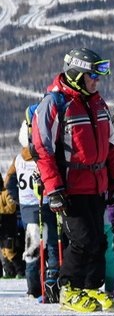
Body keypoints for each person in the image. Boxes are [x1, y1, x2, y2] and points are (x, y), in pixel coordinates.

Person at [32, 47, 114, 313]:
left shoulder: (97, 102)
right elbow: (42, 149)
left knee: (98, 240)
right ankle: (68, 289)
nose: (96, 81)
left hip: (97, 183)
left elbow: (111, 145)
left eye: (97, 76)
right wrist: (54, 188)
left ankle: (91, 288)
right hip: (70, 186)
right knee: (82, 240)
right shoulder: (55, 103)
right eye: (91, 76)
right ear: (76, 74)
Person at [13, 112, 60, 302]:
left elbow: (9, 183)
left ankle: (36, 287)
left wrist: (17, 198)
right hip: (42, 206)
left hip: (30, 208)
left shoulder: (18, 159)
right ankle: (47, 283)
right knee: (48, 247)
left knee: (34, 248)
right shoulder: (41, 158)